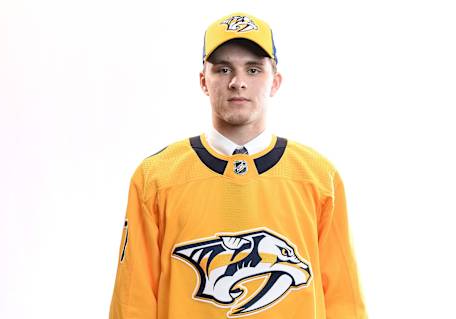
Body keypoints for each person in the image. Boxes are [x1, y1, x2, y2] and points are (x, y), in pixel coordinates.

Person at [109, 12, 367, 319]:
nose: (238, 82)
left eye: (254, 69)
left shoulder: (318, 177)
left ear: (276, 82)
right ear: (204, 81)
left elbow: (343, 301)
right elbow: (132, 302)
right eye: (223, 69)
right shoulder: (156, 178)